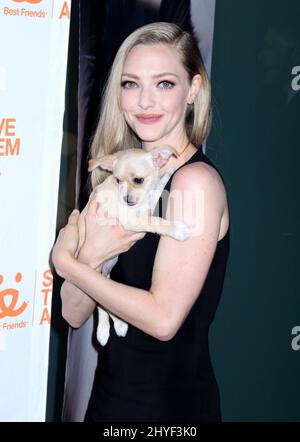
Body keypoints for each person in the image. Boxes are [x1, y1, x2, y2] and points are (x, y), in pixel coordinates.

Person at [52, 22, 230, 422]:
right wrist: (94, 254)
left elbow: (164, 321)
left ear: (193, 90)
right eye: (131, 84)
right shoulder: (117, 179)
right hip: (109, 400)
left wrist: (70, 266)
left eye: (164, 83)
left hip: (168, 409)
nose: (145, 101)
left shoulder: (194, 182)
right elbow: (73, 313)